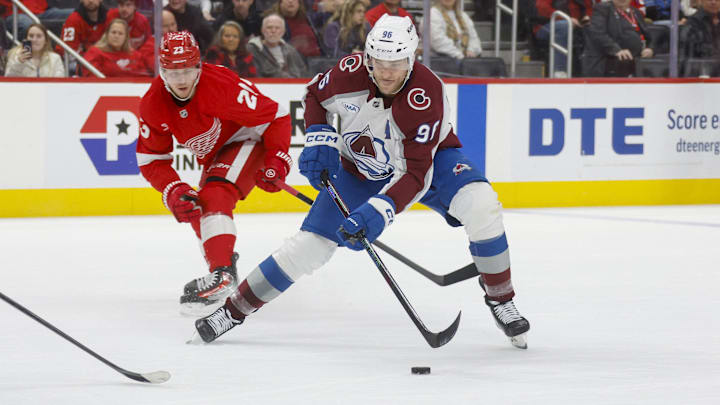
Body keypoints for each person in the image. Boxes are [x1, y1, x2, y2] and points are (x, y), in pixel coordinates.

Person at [192, 15, 531, 350]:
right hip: (358, 169)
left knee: (481, 203)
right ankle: (232, 311)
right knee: (308, 246)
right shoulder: (349, 72)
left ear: (412, 57)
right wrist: (320, 137)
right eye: (379, 61)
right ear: (368, 56)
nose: (385, 71)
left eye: (396, 62)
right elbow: (314, 96)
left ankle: (501, 298)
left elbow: (415, 174)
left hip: (430, 164)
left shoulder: (427, 95)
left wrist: (378, 212)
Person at [136, 30, 292, 314]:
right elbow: (151, 160)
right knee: (199, 207)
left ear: (198, 66)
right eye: (172, 73)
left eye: (186, 71)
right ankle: (223, 271)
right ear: (161, 71)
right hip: (219, 152)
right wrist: (173, 190)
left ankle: (223, 276)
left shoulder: (220, 85)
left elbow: (277, 115)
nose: (181, 80)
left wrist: (277, 159)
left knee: (215, 194)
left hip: (250, 138)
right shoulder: (152, 104)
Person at [583, 0, 654, 77]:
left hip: (636, 60)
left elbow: (650, 36)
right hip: (608, 60)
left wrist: (650, 48)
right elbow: (597, 33)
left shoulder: (636, 12)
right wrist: (616, 50)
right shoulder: (602, 8)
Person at [534, 0, 593, 77]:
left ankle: (593, 71)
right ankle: (559, 70)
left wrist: (587, 17)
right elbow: (542, 8)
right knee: (564, 26)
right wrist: (566, 19)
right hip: (546, 26)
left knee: (595, 27)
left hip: (576, 25)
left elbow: (589, 8)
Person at [82, 18, 151, 77]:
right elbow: (90, 78)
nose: (116, 36)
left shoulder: (136, 56)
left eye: (120, 33)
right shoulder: (94, 53)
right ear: (107, 34)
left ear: (126, 37)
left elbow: (144, 77)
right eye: (113, 32)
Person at [0, 0, 73, 40]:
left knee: (75, 14)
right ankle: (27, 55)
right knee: (29, 26)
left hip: (41, 11)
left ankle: (76, 52)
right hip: (15, 13)